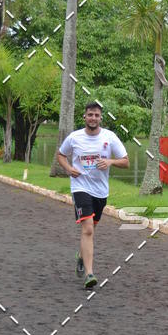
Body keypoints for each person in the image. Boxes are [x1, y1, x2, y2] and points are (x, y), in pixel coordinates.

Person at [57, 102, 129, 289]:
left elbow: (126, 161)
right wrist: (68, 169)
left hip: (100, 191)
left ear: (101, 118)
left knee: (91, 229)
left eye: (96, 115)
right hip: (80, 187)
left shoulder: (110, 137)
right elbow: (60, 155)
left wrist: (110, 161)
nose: (93, 118)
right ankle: (90, 274)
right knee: (87, 229)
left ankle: (81, 255)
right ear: (84, 117)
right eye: (90, 115)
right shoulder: (74, 137)